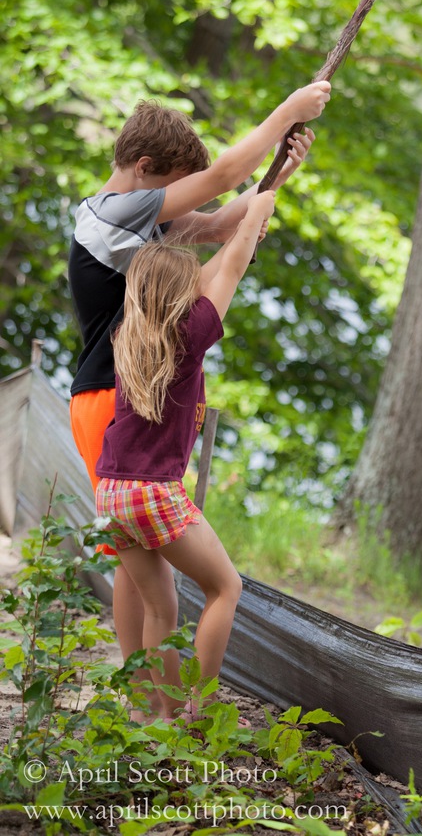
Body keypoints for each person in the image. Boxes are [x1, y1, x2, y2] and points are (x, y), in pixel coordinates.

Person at [68, 84, 330, 719]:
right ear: (144, 172)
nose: (186, 197)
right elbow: (222, 178)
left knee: (138, 571)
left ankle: (145, 706)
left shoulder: (130, 221)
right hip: (112, 398)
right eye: (176, 185)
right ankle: (156, 706)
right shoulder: (111, 213)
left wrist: (281, 175)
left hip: (105, 397)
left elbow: (217, 226)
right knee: (149, 575)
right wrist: (287, 110)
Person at [95, 189, 277, 724]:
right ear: (184, 296)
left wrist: (260, 203)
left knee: (159, 606)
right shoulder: (189, 335)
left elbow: (221, 269)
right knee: (226, 587)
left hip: (111, 491)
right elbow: (233, 268)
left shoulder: (129, 334)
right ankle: (198, 711)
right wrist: (258, 211)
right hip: (152, 492)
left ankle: (162, 715)